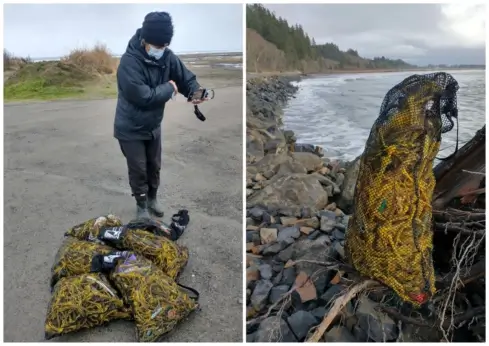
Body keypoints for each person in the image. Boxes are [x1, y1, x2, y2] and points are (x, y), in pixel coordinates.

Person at [114, 11, 206, 219]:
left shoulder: (167, 56)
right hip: (129, 128)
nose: (161, 50)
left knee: (154, 166)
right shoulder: (128, 63)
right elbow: (143, 97)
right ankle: (141, 206)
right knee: (138, 169)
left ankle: (153, 199)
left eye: (164, 46)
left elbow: (185, 78)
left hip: (153, 126)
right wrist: (169, 88)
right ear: (145, 40)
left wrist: (195, 92)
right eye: (158, 46)